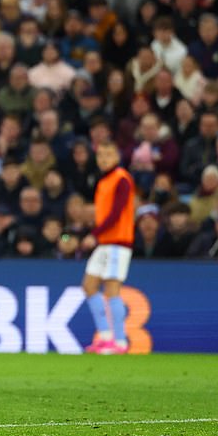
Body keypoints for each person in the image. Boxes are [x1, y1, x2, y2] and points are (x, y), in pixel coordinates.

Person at [80, 141, 135, 355]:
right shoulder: (104, 181)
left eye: (108, 155)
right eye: (100, 155)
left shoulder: (121, 179)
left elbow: (117, 213)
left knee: (112, 289)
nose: (103, 159)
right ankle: (104, 336)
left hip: (117, 242)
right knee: (89, 285)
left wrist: (94, 234)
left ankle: (120, 341)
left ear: (117, 157)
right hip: (105, 242)